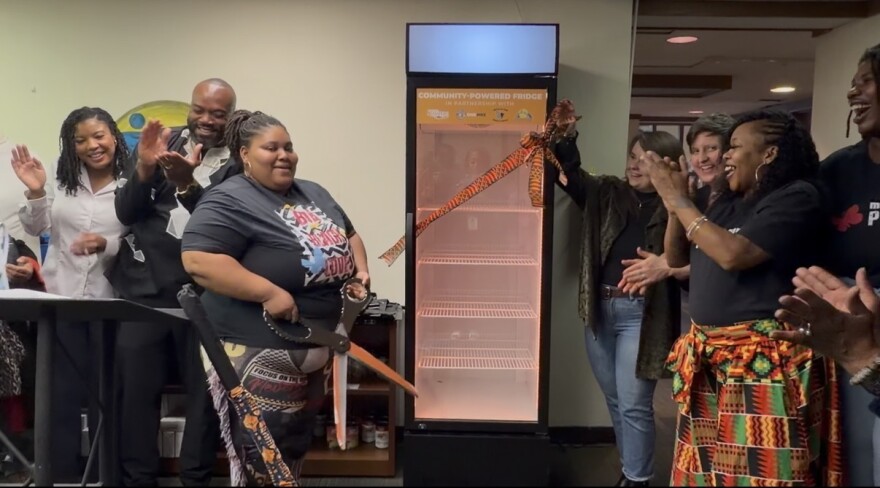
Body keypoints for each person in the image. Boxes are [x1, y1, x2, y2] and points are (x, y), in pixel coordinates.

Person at [646, 109, 842, 486]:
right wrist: (674, 206)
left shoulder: (796, 195)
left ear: (769, 153)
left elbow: (735, 255)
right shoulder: (724, 199)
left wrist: (679, 200)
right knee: (705, 472)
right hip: (709, 357)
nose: (726, 156)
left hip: (763, 360)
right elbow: (676, 258)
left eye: (734, 146)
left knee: (764, 474)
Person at [180, 110, 370, 485]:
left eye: (289, 147)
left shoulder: (314, 192)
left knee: (292, 451)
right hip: (256, 348)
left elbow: (349, 235)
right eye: (271, 148)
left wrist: (359, 271)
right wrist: (267, 291)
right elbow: (199, 260)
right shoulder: (228, 198)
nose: (284, 155)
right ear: (244, 154)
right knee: (261, 458)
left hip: (317, 345)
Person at [109, 79, 234, 486]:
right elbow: (127, 212)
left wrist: (186, 182)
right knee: (136, 395)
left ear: (231, 116)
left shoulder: (241, 160)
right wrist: (145, 168)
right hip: (146, 293)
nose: (206, 119)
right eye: (200, 110)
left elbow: (230, 226)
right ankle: (138, 479)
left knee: (206, 397)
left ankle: (195, 479)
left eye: (218, 113)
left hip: (208, 297)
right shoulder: (162, 145)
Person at [551, 129, 684, 487]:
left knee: (634, 403)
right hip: (600, 310)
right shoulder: (607, 192)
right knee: (614, 399)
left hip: (642, 315)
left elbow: (690, 263)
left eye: (646, 160)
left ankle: (637, 479)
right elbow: (569, 175)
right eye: (632, 156)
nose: (635, 165)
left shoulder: (677, 206)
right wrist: (566, 137)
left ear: (666, 164)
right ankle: (630, 469)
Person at [11, 107, 129, 482]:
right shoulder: (62, 179)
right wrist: (36, 191)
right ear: (71, 145)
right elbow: (37, 226)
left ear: (114, 137)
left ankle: (105, 475)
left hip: (111, 304)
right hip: (61, 304)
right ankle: (59, 475)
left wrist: (106, 245)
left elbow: (140, 242)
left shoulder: (131, 184)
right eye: (80, 140)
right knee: (59, 396)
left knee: (105, 398)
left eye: (99, 136)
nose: (92, 145)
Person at [812, 42, 880, 486]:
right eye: (853, 84)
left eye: (867, 81)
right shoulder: (837, 170)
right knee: (853, 448)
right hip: (849, 326)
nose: (854, 93)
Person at [617, 114, 735, 298]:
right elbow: (677, 259)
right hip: (700, 306)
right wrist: (674, 205)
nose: (702, 158)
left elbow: (731, 258)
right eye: (695, 151)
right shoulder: (696, 198)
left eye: (711, 148)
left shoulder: (751, 197)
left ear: (731, 151)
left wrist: (666, 267)